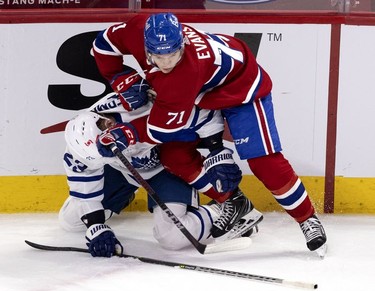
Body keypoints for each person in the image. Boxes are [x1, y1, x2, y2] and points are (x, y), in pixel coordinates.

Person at [92, 13, 327, 256]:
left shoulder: (185, 73)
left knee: (264, 162)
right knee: (174, 157)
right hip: (199, 94)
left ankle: (307, 218)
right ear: (145, 45)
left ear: (182, 43)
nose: (166, 63)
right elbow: (102, 45)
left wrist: (128, 133)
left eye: (173, 54)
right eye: (159, 56)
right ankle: (235, 203)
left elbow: (159, 130)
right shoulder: (137, 29)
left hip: (241, 90)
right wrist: (120, 78)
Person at [59, 92, 256, 257]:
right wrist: (96, 226)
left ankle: (224, 211)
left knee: (172, 238)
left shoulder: (138, 107)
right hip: (123, 172)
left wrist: (214, 148)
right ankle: (120, 198)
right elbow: (84, 188)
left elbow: (193, 114)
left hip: (166, 170)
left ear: (108, 124)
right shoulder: (79, 144)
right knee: (71, 221)